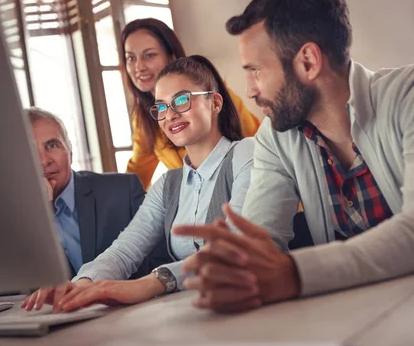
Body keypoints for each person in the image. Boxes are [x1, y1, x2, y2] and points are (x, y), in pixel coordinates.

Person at [173, 0, 414, 346]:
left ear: (307, 61)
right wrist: (234, 264)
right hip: (369, 333)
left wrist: (293, 274)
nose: (250, 90)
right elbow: (262, 240)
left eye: (255, 70)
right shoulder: (276, 135)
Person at [21, 55, 255, 312]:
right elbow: (124, 250)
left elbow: (237, 245)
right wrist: (81, 284)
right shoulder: (167, 185)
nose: (171, 115)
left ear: (215, 102)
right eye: (162, 108)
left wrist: (153, 282)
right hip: (197, 310)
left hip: (254, 303)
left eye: (181, 100)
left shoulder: (246, 153)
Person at [122, 18, 261, 188]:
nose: (139, 67)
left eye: (149, 55)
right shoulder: (145, 119)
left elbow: (257, 144)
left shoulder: (208, 94)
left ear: (171, 56)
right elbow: (137, 173)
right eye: (130, 58)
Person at [25, 108, 150, 278]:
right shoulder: (8, 220)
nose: (44, 160)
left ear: (70, 150)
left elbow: (161, 263)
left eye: (52, 145)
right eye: (30, 151)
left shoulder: (123, 191)